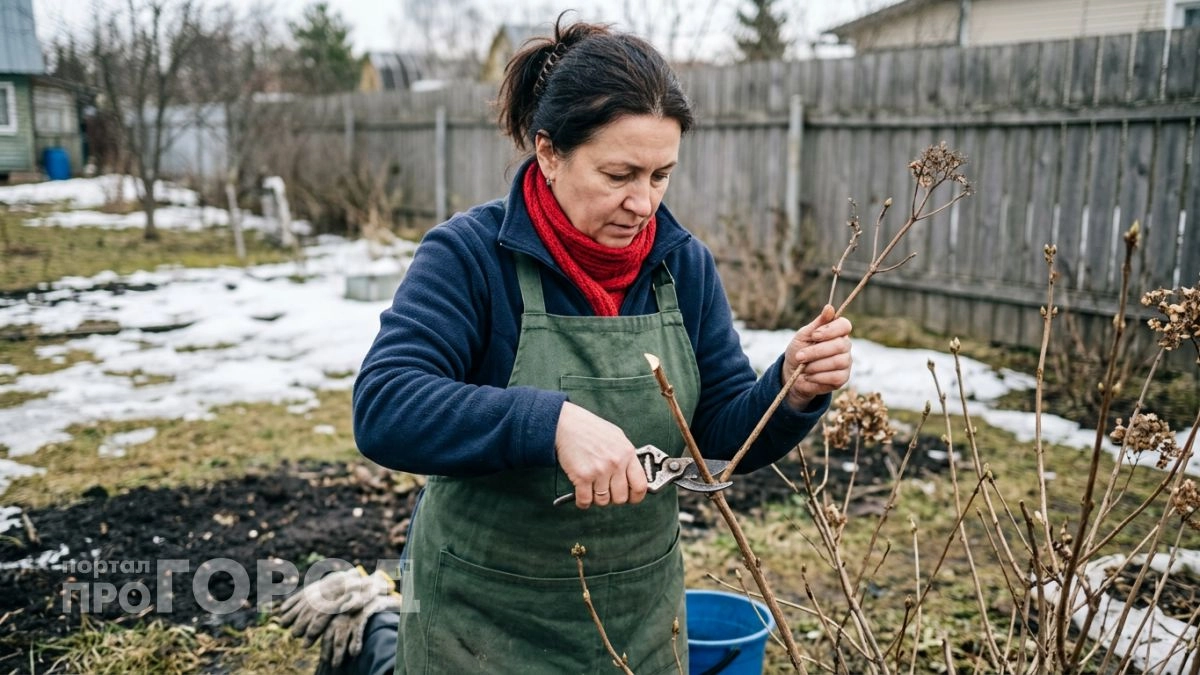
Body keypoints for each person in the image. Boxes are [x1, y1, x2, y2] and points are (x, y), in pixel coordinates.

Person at [281, 15, 853, 675]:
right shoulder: (470, 257)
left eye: (661, 175)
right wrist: (546, 420)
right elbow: (385, 406)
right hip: (482, 620)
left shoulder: (682, 266)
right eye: (619, 174)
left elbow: (716, 433)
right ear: (549, 153)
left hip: (634, 618)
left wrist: (792, 388)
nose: (643, 202)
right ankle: (371, 633)